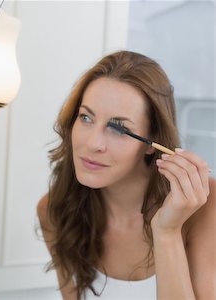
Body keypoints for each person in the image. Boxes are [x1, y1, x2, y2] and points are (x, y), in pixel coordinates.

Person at [37, 50, 215, 299]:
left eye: (118, 129)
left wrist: (167, 233)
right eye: (86, 117)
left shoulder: (206, 204)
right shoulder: (55, 210)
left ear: (151, 142)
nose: (93, 143)